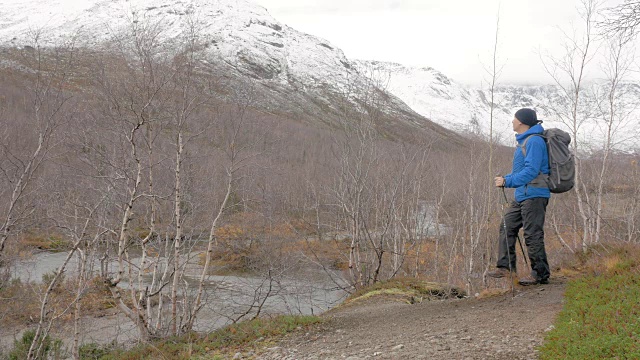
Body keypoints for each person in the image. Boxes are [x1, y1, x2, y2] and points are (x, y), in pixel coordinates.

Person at [487, 108, 551, 286]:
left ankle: (540, 274)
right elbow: (523, 171)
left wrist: (507, 181)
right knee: (507, 226)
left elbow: (531, 171)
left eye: (514, 118)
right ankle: (505, 267)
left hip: (535, 194)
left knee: (532, 234)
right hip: (523, 194)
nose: (512, 121)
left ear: (522, 122)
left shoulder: (534, 141)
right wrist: (507, 180)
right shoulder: (525, 141)